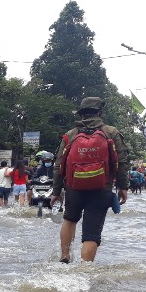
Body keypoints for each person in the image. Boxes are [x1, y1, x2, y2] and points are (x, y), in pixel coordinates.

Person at [50, 97, 129, 263]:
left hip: (73, 187)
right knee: (91, 233)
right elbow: (121, 162)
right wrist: (123, 187)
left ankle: (65, 256)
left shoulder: (70, 135)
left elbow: (59, 165)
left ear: (81, 114)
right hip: (101, 189)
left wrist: (56, 191)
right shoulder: (111, 133)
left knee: (69, 219)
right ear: (100, 112)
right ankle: (85, 269)